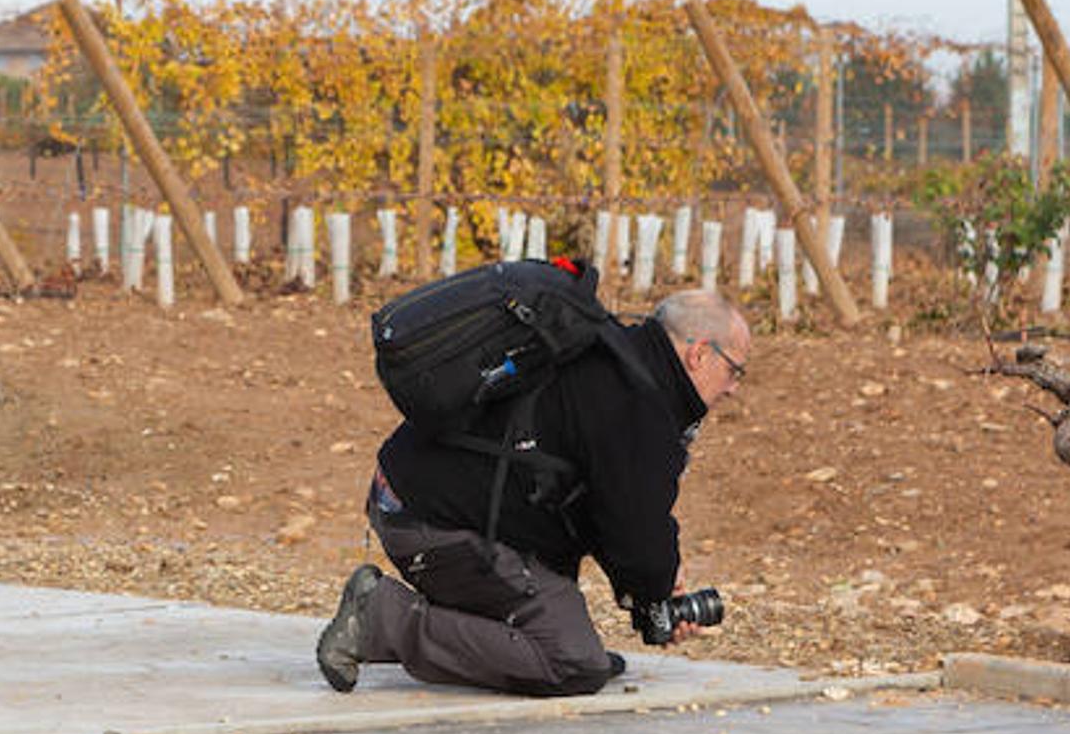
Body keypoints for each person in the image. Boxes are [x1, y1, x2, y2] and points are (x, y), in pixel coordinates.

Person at [317, 288, 750, 697]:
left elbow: (604, 509)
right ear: (698, 354)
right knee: (571, 662)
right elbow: (635, 529)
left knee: (571, 642)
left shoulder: (607, 351)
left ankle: (532, 637)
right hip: (431, 523)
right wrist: (655, 590)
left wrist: (646, 594)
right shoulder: (640, 405)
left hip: (410, 497)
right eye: (735, 370)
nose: (733, 388)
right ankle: (380, 619)